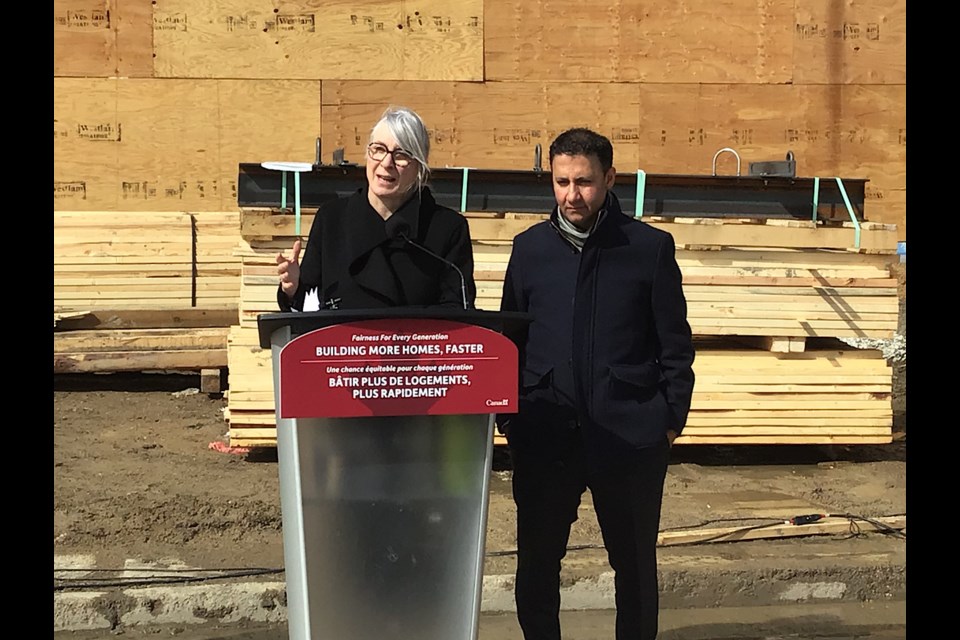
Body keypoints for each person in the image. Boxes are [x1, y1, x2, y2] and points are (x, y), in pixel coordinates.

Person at [498, 128, 696, 640]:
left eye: (584, 182)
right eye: (561, 182)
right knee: (537, 566)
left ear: (609, 178)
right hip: (545, 434)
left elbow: (674, 344)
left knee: (634, 568)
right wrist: (511, 418)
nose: (572, 195)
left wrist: (668, 421)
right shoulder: (530, 250)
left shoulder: (647, 249)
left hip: (629, 436)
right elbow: (510, 340)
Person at [276, 105, 476, 311]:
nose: (386, 162)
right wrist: (291, 287)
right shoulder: (332, 219)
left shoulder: (447, 228)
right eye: (378, 150)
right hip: (344, 342)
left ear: (419, 167)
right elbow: (304, 303)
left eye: (401, 155)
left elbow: (457, 311)